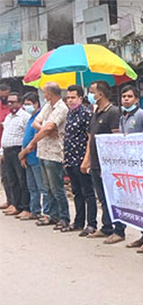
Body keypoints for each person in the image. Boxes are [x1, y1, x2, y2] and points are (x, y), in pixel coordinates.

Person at [20, 82, 70, 231]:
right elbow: (37, 123)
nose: (44, 95)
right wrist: (45, 131)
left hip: (54, 152)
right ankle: (51, 214)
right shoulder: (48, 107)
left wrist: (34, 141)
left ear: (50, 93)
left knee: (57, 188)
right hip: (43, 150)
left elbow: (50, 126)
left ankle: (64, 217)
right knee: (47, 187)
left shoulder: (61, 108)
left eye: (45, 92)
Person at [80, 81, 124, 243]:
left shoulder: (113, 112)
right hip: (97, 162)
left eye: (92, 91)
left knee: (113, 197)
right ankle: (106, 227)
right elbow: (90, 138)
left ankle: (119, 230)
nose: (90, 95)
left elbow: (116, 138)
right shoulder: (96, 111)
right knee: (103, 197)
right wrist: (87, 160)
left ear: (101, 94)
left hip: (109, 164)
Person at [117, 86, 143, 253]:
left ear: (136, 99)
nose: (126, 99)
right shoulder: (123, 117)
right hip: (130, 166)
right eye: (123, 96)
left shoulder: (142, 115)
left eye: (129, 96)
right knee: (138, 204)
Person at [63, 85, 97, 236]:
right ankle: (78, 221)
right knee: (77, 192)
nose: (70, 100)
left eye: (73, 98)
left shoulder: (86, 114)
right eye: (68, 98)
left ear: (80, 98)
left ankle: (91, 223)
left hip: (82, 159)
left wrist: (86, 160)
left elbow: (90, 138)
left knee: (88, 192)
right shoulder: (70, 114)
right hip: (70, 159)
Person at [20, 92, 49, 221]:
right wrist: (23, 154)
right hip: (29, 158)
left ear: (36, 104)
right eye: (25, 104)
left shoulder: (40, 118)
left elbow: (36, 139)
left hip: (36, 157)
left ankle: (47, 212)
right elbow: (26, 137)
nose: (26, 107)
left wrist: (24, 152)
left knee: (42, 187)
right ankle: (35, 210)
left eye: (28, 104)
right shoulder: (31, 118)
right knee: (32, 187)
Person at [1, 92, 30, 217]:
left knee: (22, 180)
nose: (10, 104)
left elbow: (27, 136)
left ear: (19, 103)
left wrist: (23, 153)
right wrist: (2, 151)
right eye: (8, 102)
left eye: (13, 102)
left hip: (18, 150)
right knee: (11, 179)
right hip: (7, 151)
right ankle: (14, 204)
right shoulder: (8, 117)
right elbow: (5, 134)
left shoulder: (25, 116)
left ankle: (25, 207)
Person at [0, 84, 13, 210]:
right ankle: (9, 199)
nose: (4, 97)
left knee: (11, 175)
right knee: (4, 176)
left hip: (9, 145)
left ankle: (14, 201)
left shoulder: (11, 109)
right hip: (2, 142)